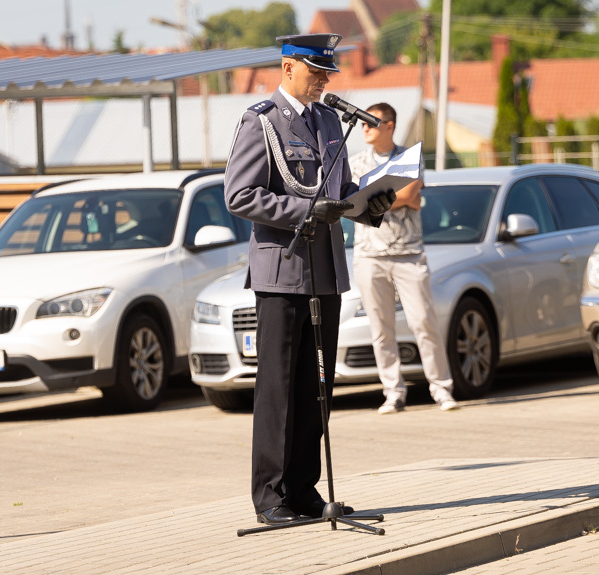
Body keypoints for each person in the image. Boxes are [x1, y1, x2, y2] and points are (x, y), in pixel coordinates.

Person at [224, 34, 396, 525]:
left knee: (316, 386)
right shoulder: (261, 121)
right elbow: (239, 196)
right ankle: (270, 496)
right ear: (287, 67)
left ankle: (303, 489)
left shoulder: (327, 121)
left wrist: (370, 203)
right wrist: (306, 208)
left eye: (328, 74)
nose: (324, 81)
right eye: (316, 72)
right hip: (282, 270)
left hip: (325, 272)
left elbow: (338, 192)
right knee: (278, 387)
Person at [349, 103, 459, 414]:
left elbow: (411, 195)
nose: (365, 128)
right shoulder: (356, 162)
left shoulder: (409, 157)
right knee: (380, 327)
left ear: (390, 125)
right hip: (369, 255)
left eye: (372, 122)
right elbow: (358, 204)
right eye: (362, 123)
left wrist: (378, 200)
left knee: (424, 321)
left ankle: (441, 388)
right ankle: (393, 392)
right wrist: (387, 199)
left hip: (409, 253)